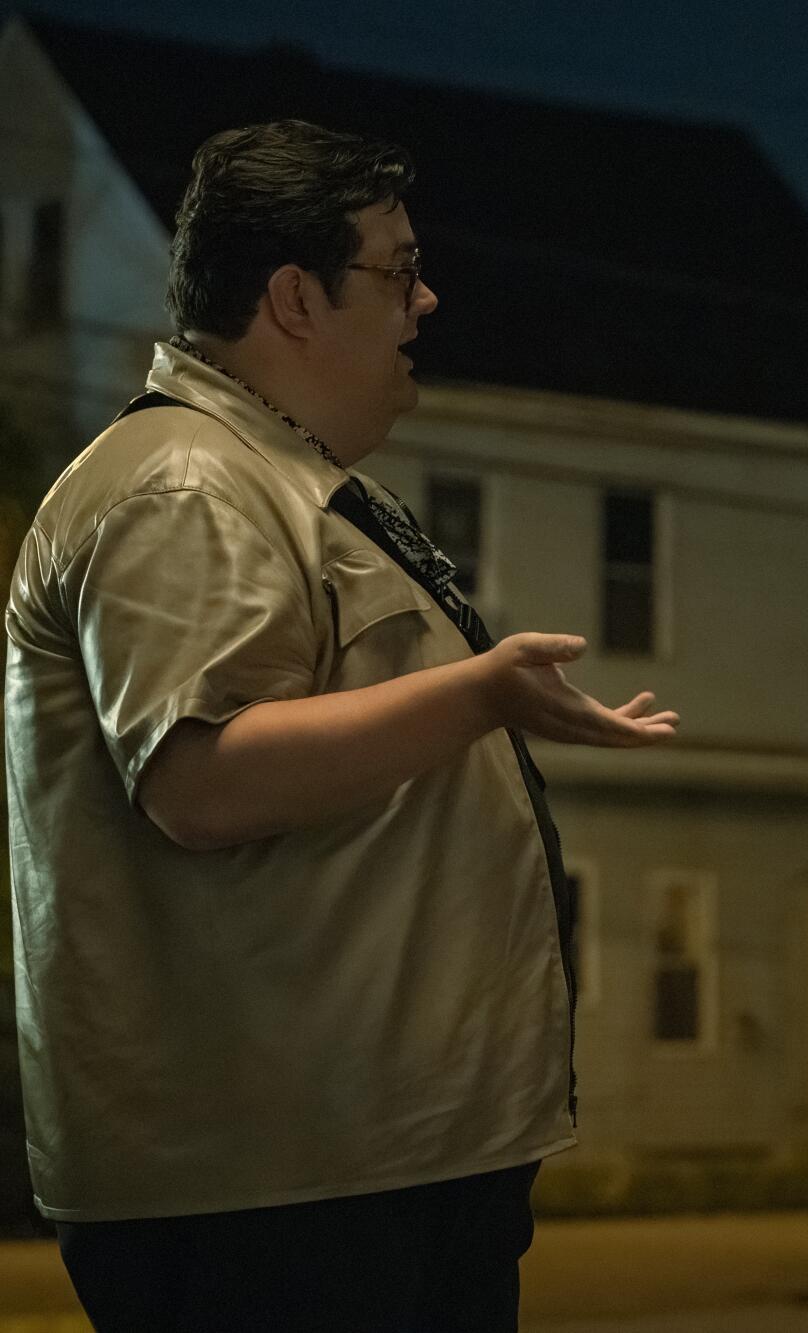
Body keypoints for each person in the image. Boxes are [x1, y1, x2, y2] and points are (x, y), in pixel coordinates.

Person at [4, 120, 679, 1332]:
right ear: (292, 296)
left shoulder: (271, 479)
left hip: (349, 1167)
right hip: (276, 1191)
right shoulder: (186, 484)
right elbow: (201, 780)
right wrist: (479, 692)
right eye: (393, 268)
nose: (426, 297)